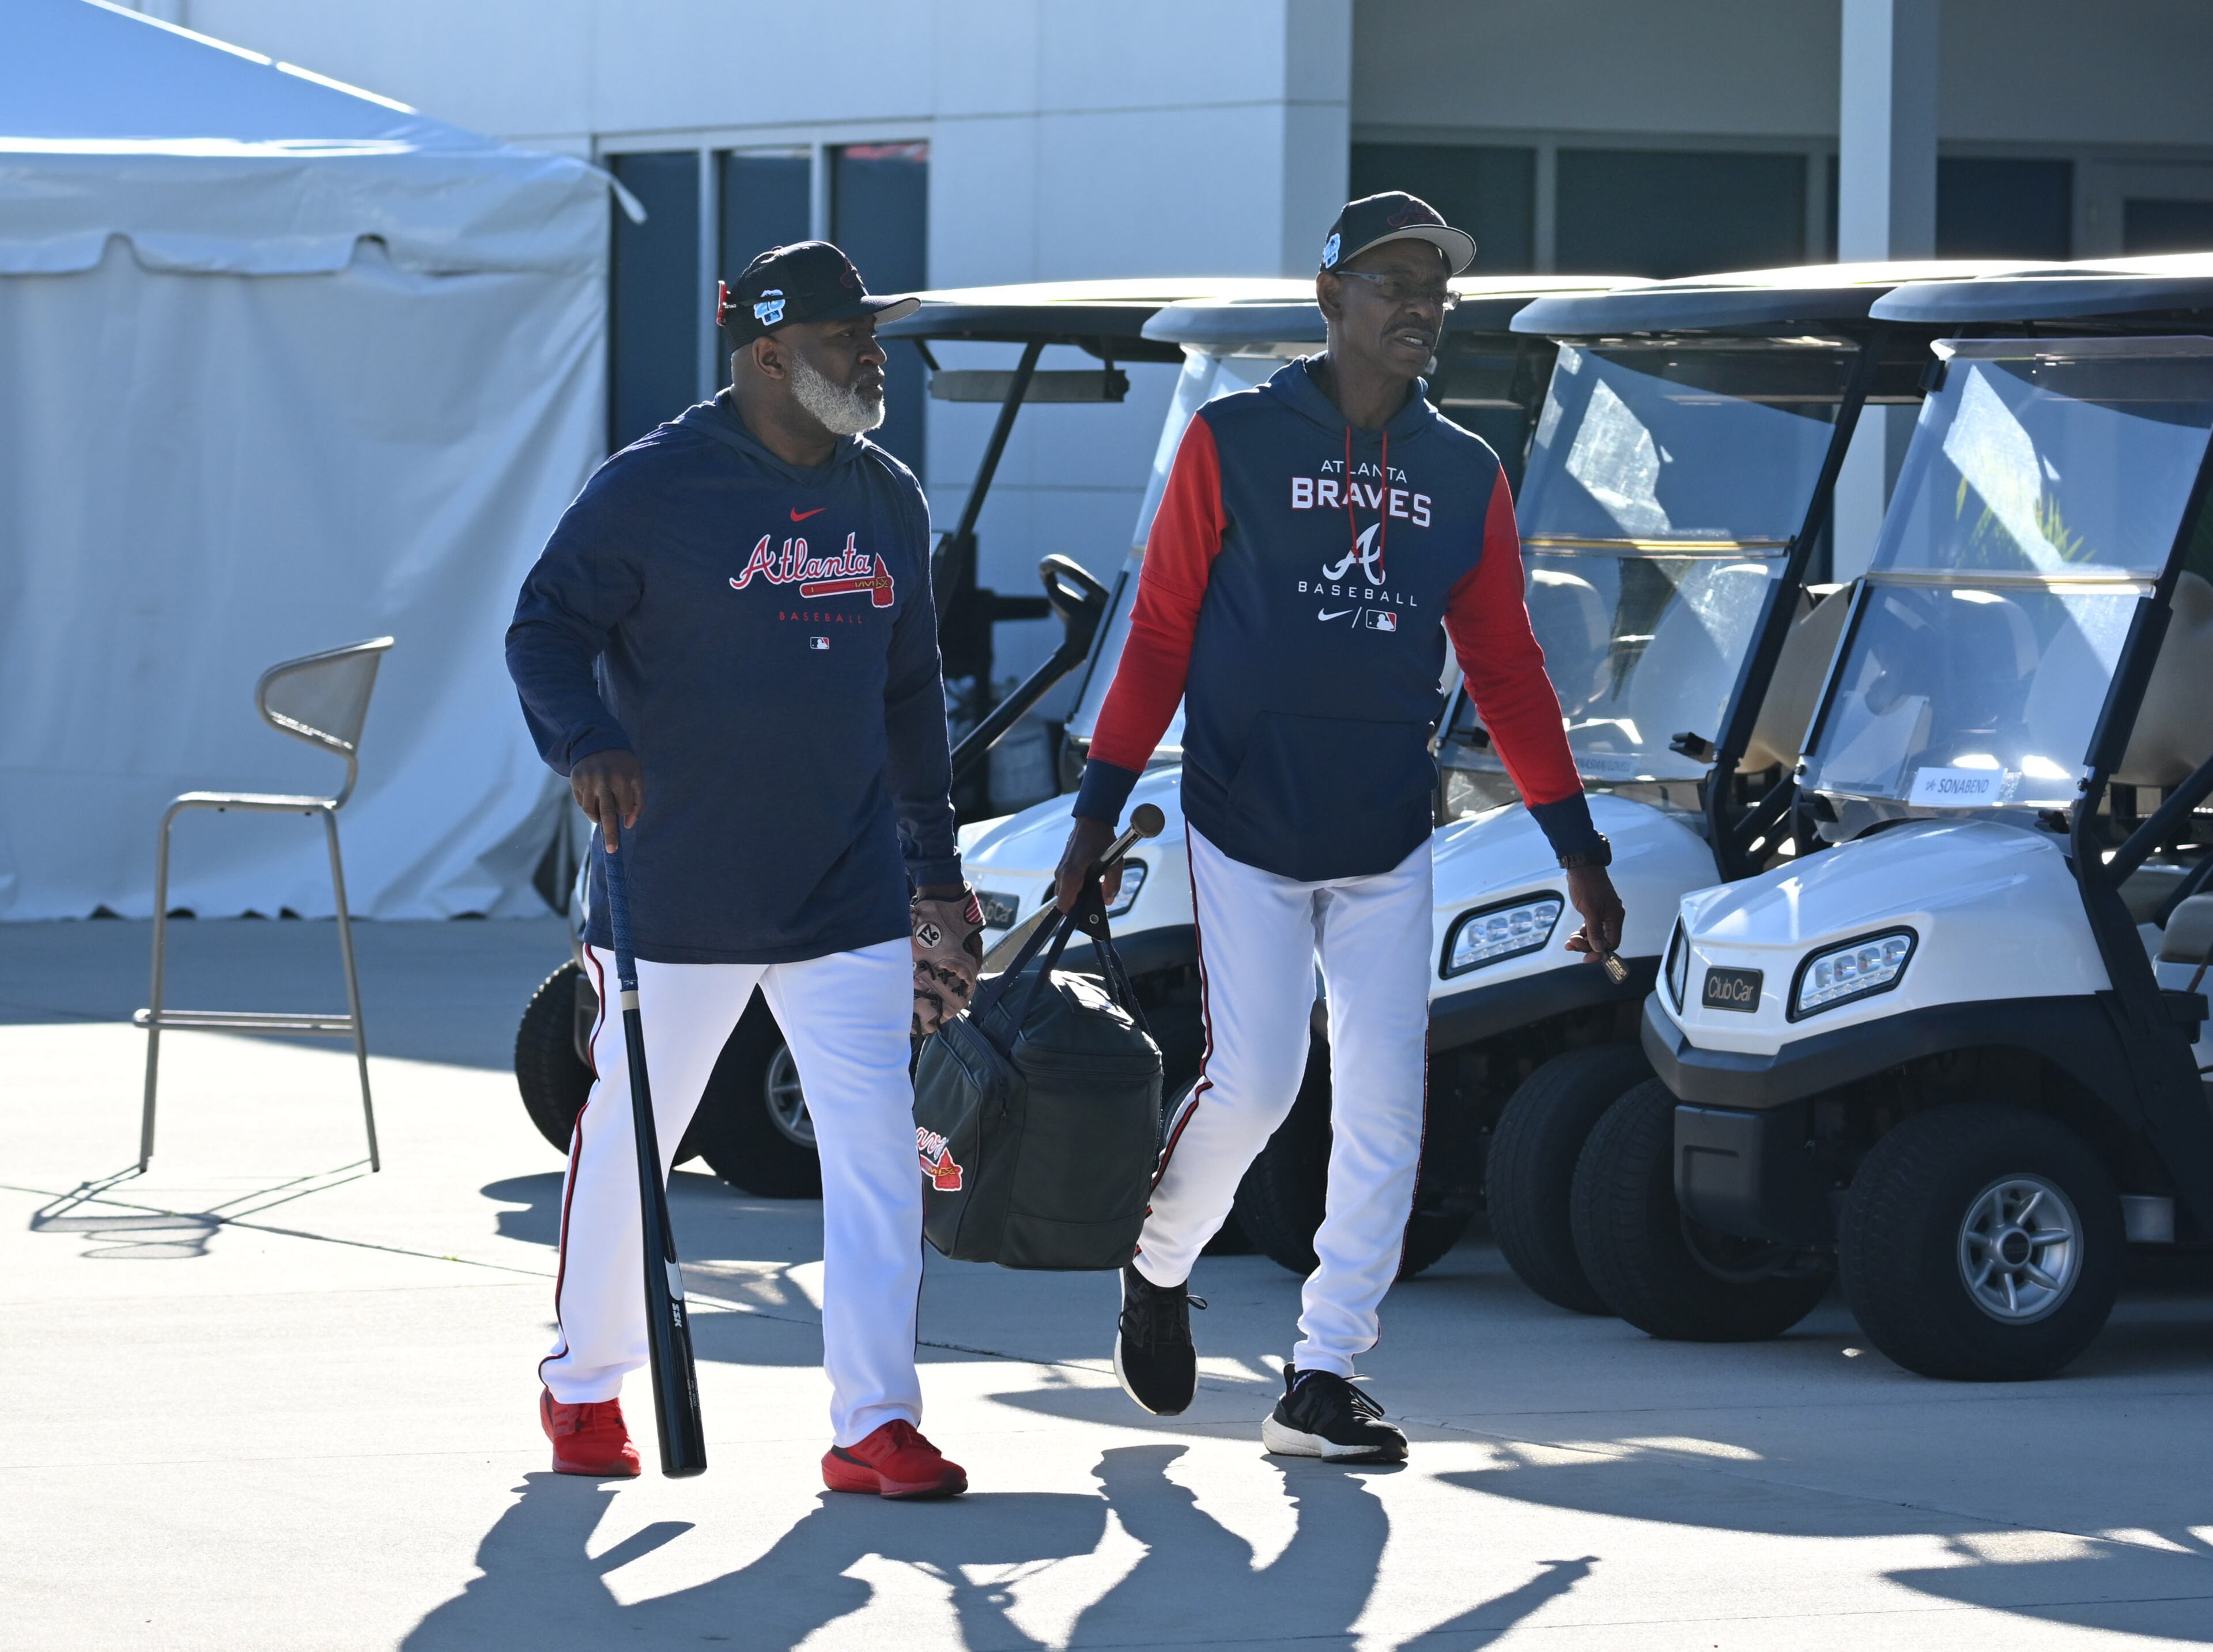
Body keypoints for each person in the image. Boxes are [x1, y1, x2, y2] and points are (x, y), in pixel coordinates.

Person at [1055, 193, 1625, 1463]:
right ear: (1330, 299)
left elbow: (1511, 672)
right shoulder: (1233, 442)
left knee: (1386, 1102)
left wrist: (1575, 850)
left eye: (1437, 287)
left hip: (1386, 828)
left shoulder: (1465, 470)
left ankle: (1324, 1373)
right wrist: (1096, 811)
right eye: (1393, 282)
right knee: (1258, 1080)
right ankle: (1158, 1266)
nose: (1421, 306)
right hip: (1246, 813)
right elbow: (1155, 638)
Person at [507, 240, 983, 1499]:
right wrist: (590, 741)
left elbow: (909, 696)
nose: (873, 359)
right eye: (847, 339)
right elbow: (544, 628)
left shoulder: (885, 495)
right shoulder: (654, 486)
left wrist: (934, 871)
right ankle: (583, 1386)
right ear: (770, 354)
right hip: (677, 884)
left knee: (878, 1154)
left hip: (846, 887)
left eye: (872, 337)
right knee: (629, 1143)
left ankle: (873, 1423)